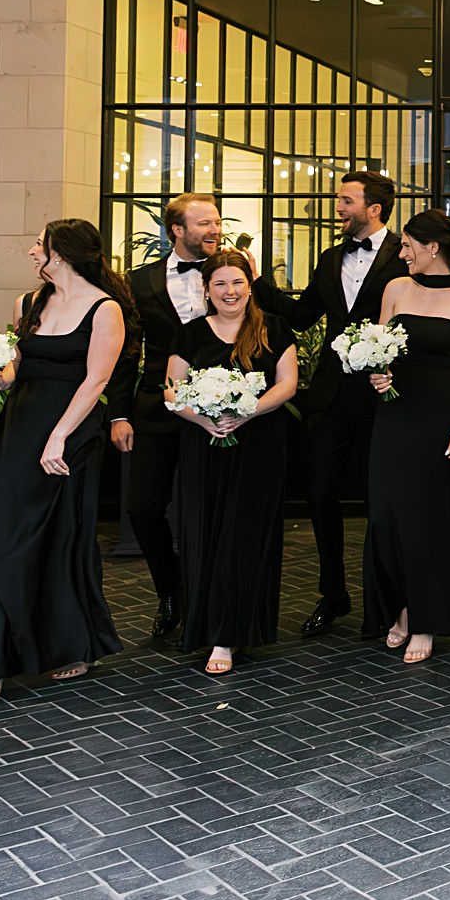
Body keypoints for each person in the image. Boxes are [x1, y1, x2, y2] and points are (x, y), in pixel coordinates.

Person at [0, 220, 130, 697]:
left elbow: (96, 381)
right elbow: (19, 365)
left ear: (61, 253)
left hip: (71, 434)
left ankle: (69, 646)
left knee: (63, 539)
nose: (32, 249)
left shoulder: (105, 309)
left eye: (40, 243)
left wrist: (58, 436)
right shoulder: (28, 303)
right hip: (18, 429)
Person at [255, 170, 407, 638]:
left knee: (382, 502)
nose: (338, 208)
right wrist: (256, 280)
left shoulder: (405, 255)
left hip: (385, 396)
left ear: (373, 209)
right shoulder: (328, 258)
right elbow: (301, 317)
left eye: (345, 201)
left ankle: (385, 601)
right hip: (330, 396)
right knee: (320, 493)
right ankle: (333, 593)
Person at [361, 210, 450, 665]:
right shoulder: (396, 289)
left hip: (440, 416)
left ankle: (426, 618)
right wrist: (376, 373)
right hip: (394, 415)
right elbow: (375, 349)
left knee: (428, 522)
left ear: (432, 247)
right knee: (384, 516)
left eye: (409, 244)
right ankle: (397, 605)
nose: (402, 251)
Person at [166, 250, 298, 675]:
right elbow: (171, 391)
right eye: (220, 283)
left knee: (244, 537)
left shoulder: (274, 328)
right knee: (204, 534)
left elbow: (289, 384)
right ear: (206, 289)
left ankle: (230, 634)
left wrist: (248, 411)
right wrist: (203, 419)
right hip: (203, 446)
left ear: (250, 285)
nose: (230, 291)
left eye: (237, 282)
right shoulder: (189, 334)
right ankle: (206, 626)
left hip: (258, 445)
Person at [106, 192, 222, 641]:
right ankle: (169, 589)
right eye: (205, 223)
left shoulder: (230, 274)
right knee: (142, 507)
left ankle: (208, 595)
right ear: (177, 230)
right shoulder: (139, 283)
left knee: (205, 508)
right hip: (156, 407)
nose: (214, 230)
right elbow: (125, 351)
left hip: (218, 409)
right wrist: (118, 414)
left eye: (215, 223)